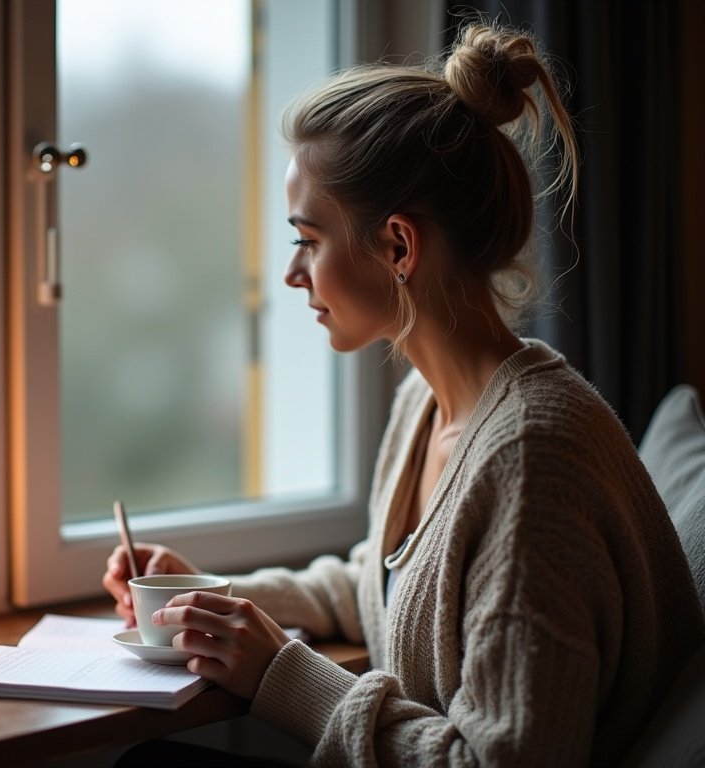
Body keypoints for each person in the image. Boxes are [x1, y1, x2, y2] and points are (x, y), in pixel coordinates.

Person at [103, 21, 705, 767]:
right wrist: (205, 599)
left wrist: (280, 675)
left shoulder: (531, 461)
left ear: (398, 246)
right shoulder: (428, 402)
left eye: (307, 240)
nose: (292, 274)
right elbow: (380, 587)